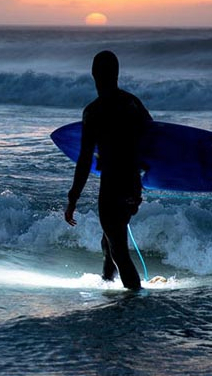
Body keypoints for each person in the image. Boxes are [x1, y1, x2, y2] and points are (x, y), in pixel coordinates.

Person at [64, 50, 152, 290]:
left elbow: (84, 160)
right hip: (133, 181)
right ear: (116, 74)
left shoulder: (93, 111)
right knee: (110, 241)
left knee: (119, 251)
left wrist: (73, 198)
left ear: (94, 74)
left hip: (113, 183)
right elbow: (152, 138)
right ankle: (107, 283)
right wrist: (143, 178)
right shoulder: (132, 103)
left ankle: (133, 302)